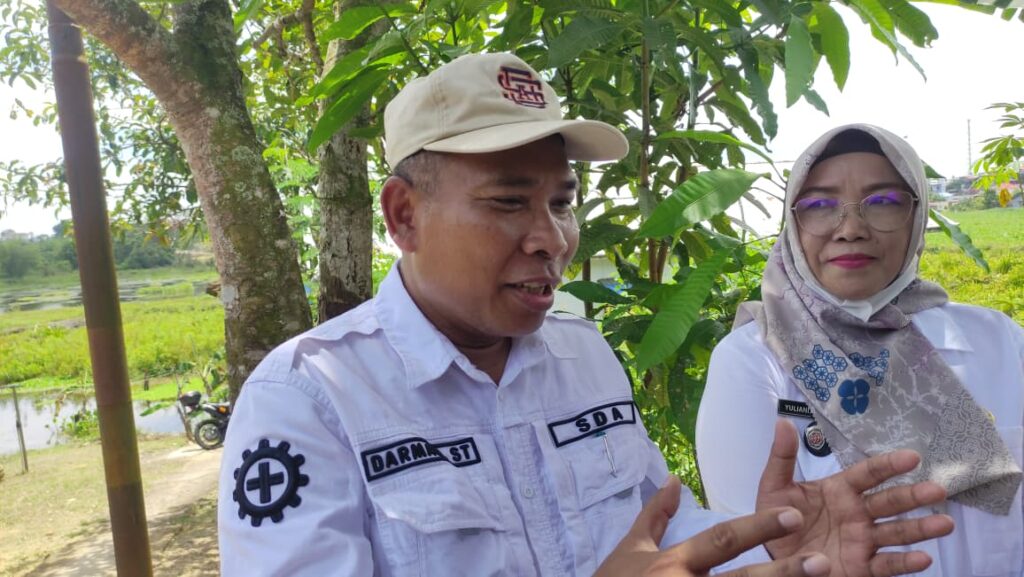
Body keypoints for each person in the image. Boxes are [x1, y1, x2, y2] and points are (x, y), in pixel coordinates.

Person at [218, 55, 954, 576]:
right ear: (405, 214)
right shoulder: (312, 400)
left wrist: (769, 541)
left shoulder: (583, 358)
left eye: (563, 202)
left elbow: (654, 529)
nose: (553, 238)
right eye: (509, 201)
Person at [696, 124, 1024, 576]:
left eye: (884, 203)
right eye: (818, 206)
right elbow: (744, 549)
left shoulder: (998, 340)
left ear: (917, 216)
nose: (850, 229)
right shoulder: (754, 360)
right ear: (793, 223)